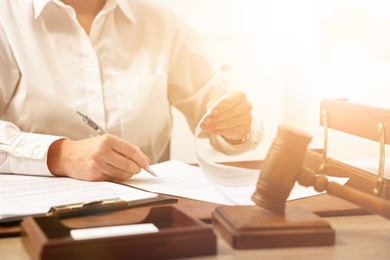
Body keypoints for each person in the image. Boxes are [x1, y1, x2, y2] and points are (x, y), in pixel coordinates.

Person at [0, 0, 262, 182]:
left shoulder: (163, 24)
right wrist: (59, 155)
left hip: (149, 209)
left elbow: (216, 106)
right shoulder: (6, 21)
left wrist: (236, 127)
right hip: (36, 215)